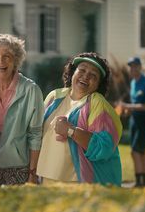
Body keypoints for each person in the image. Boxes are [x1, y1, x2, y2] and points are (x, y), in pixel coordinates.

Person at [37, 52, 123, 186]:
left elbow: (104, 146)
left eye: (93, 75)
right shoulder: (55, 97)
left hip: (77, 184)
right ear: (73, 72)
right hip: (46, 179)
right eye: (82, 70)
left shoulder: (97, 103)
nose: (86, 76)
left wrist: (71, 131)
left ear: (99, 83)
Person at [0, 34, 44, 185]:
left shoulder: (31, 90)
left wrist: (33, 174)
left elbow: (36, 134)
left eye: (6, 56)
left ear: (15, 60)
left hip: (20, 168)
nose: (0, 61)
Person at [120, 56, 145, 188]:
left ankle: (140, 183)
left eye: (135, 66)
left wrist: (127, 106)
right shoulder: (134, 83)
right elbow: (135, 104)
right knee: (140, 152)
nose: (132, 68)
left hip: (144, 122)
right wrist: (127, 111)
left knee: (135, 152)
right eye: (131, 66)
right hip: (134, 120)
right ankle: (144, 182)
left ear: (140, 67)